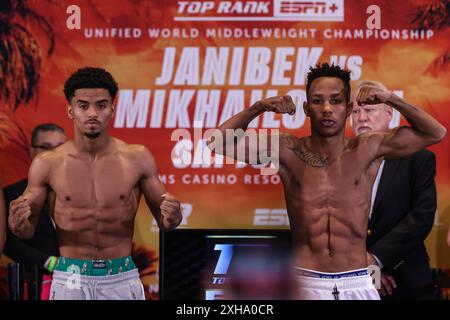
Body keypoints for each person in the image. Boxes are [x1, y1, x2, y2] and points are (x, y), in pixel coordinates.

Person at [208, 63, 446, 300]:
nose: (327, 109)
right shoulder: (287, 150)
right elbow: (216, 142)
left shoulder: (368, 148)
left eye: (336, 100)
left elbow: (435, 133)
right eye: (317, 101)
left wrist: (391, 99)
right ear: (306, 108)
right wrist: (258, 108)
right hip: (305, 281)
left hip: (358, 281)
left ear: (349, 107)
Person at [8, 67, 182, 300]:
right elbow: (27, 231)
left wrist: (173, 217)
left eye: (101, 105)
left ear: (112, 108)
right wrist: (17, 223)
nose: (92, 113)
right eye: (83, 105)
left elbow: (166, 223)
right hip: (70, 279)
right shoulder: (47, 163)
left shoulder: (137, 158)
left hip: (120, 278)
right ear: (70, 109)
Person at [351, 80, 437, 300]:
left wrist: (377, 259)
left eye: (369, 109)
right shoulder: (340, 159)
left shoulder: (418, 158)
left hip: (406, 282)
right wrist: (363, 268)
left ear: (389, 113)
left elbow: (421, 217)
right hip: (352, 281)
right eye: (355, 111)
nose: (361, 118)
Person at [3, 123, 66, 300]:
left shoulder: (82, 191)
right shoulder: (13, 193)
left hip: (81, 281)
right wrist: (48, 262)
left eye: (60, 147)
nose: (53, 154)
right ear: (32, 152)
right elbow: (9, 242)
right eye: (46, 147)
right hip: (37, 283)